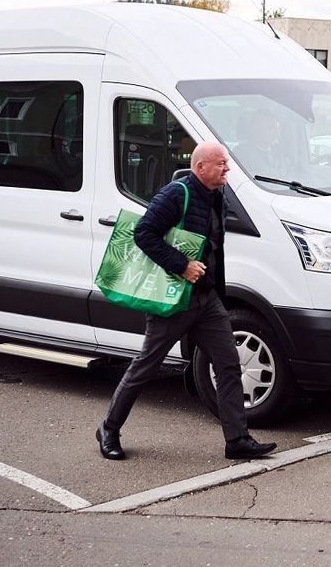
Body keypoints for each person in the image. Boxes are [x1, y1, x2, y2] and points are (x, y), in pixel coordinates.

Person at [96, 141, 276, 462]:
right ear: (200, 167)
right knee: (145, 368)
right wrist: (182, 265)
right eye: (221, 163)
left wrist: (215, 293)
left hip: (207, 302)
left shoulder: (216, 196)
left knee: (229, 366)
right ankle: (109, 429)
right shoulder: (176, 194)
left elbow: (214, 250)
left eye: (226, 163)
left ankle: (237, 440)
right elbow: (143, 233)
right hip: (173, 302)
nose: (228, 169)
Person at [233, 111, 282, 177]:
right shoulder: (241, 153)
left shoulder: (279, 153)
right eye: (271, 128)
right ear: (256, 129)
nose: (276, 133)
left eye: (277, 129)